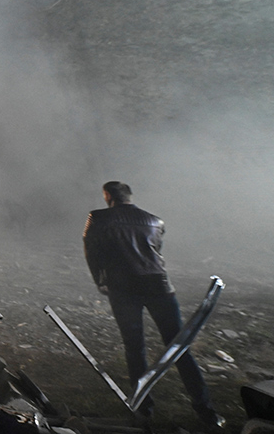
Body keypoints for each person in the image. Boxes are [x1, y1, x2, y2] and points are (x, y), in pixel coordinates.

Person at [83, 181, 223, 429]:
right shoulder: (155, 221)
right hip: (159, 287)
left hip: (123, 288)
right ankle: (207, 411)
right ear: (129, 196)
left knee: (135, 348)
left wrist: (100, 280)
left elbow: (92, 251)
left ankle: (143, 410)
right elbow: (156, 252)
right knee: (178, 347)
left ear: (108, 196)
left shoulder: (98, 218)